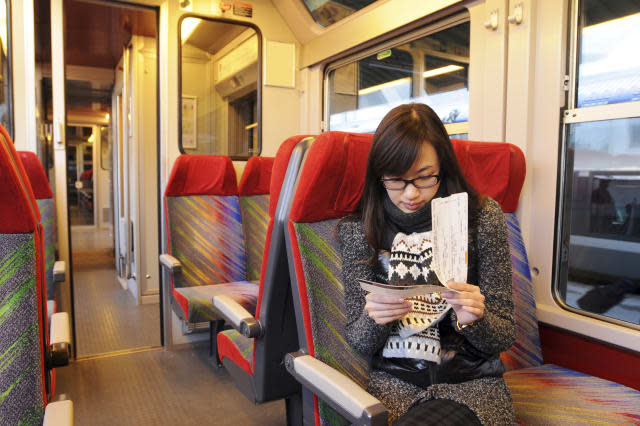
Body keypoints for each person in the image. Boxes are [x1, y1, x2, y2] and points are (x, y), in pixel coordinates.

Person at [337, 103, 515, 425]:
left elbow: (503, 337)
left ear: (443, 168)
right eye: (395, 180)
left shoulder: (482, 218)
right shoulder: (358, 230)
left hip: (472, 386)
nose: (410, 194)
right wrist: (375, 318)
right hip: (395, 385)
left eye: (423, 178)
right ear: (379, 177)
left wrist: (474, 319)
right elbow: (360, 340)